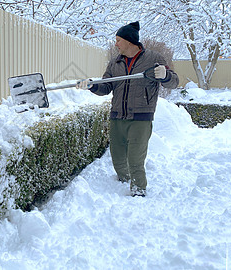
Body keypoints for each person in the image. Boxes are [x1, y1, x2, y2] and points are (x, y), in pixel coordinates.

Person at [76, 21, 179, 197]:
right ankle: (123, 180)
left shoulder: (153, 59)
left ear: (129, 41)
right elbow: (106, 87)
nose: (115, 44)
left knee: (135, 159)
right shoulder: (115, 63)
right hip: (117, 117)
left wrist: (165, 75)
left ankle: (138, 191)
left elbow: (174, 82)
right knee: (117, 157)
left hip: (140, 118)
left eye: (118, 40)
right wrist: (92, 86)